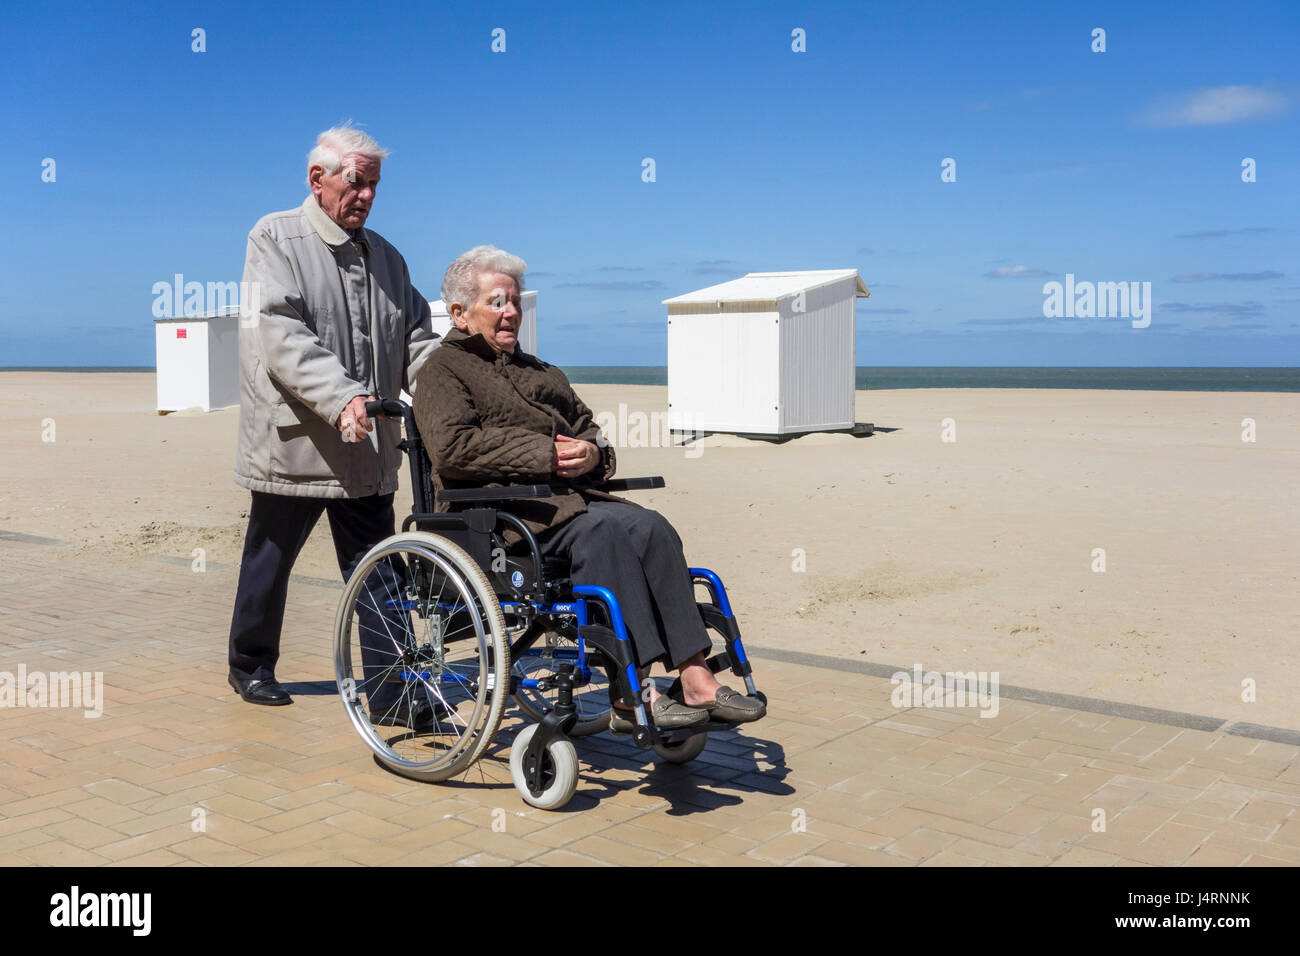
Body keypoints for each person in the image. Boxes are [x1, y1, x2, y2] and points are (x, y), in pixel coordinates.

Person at [412, 245, 765, 730]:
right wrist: (544, 454)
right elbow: (454, 449)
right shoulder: (442, 372)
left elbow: (591, 432)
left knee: (651, 526)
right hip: (498, 516)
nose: (511, 311)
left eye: (514, 301)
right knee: (605, 535)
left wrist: (594, 455)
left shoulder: (542, 372)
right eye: (497, 302)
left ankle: (694, 675)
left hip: (569, 504)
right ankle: (629, 691)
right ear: (460, 313)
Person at [227, 125, 439, 716]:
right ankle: (250, 666)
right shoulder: (274, 237)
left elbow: (417, 341)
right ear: (317, 179)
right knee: (269, 563)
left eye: (374, 185)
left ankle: (393, 693)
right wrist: (343, 396)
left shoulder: (389, 258)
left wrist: (449, 395)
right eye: (356, 181)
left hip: (367, 446)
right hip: (295, 444)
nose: (367, 195)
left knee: (380, 573)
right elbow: (280, 335)